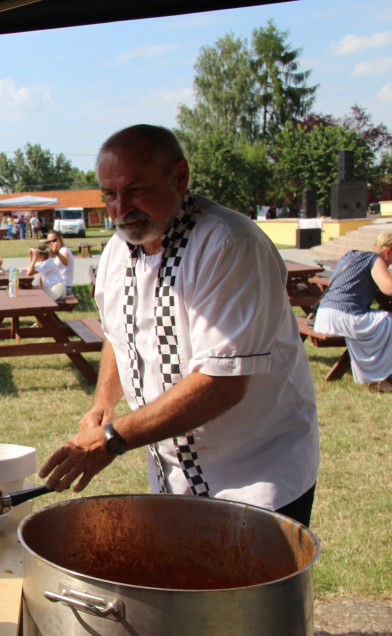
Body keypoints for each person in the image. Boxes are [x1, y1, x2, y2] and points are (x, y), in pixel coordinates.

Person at [38, 124, 320, 527]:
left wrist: (114, 438)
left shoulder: (227, 244)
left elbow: (221, 383)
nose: (121, 209)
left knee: (241, 590)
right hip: (173, 474)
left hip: (255, 476)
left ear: (180, 177)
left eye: (136, 190)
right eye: (111, 195)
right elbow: (118, 335)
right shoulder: (118, 252)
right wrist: (104, 403)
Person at [313, 232, 392, 393]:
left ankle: (380, 377)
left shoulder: (352, 255)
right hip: (344, 316)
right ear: (388, 251)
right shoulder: (375, 259)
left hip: (323, 316)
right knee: (388, 322)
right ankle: (381, 379)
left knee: (383, 321)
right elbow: (389, 288)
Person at [41, 230, 74, 294]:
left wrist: (57, 253)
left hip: (64, 287)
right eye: (49, 242)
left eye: (54, 240)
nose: (52, 243)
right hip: (57, 286)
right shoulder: (60, 252)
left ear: (60, 238)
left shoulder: (64, 250)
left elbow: (66, 262)